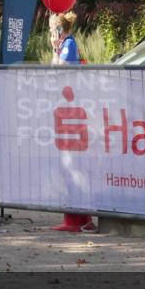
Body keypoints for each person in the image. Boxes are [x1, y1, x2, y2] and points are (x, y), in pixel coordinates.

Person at [48, 12, 95, 232]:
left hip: (74, 108)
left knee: (75, 162)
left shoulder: (68, 44)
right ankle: (74, 214)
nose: (50, 35)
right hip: (65, 108)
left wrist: (56, 48)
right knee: (67, 162)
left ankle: (83, 216)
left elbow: (61, 67)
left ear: (59, 30)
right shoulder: (62, 45)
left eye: (52, 31)